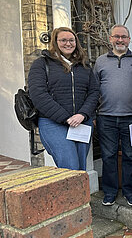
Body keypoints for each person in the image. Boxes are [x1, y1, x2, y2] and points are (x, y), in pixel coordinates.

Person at [28, 27, 99, 170]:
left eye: (71, 40)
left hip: (81, 122)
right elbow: (38, 95)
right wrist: (66, 118)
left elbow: (94, 92)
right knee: (70, 166)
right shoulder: (42, 64)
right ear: (55, 42)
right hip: (53, 122)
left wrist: (82, 114)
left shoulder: (84, 66)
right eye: (63, 40)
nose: (68, 43)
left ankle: (79, 193)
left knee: (80, 168)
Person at [94, 24, 132, 207]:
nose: (120, 40)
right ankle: (109, 192)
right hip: (106, 117)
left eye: (124, 36)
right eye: (117, 36)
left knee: (131, 155)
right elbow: (94, 88)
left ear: (129, 40)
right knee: (108, 155)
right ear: (110, 39)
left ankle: (130, 192)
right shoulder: (100, 61)